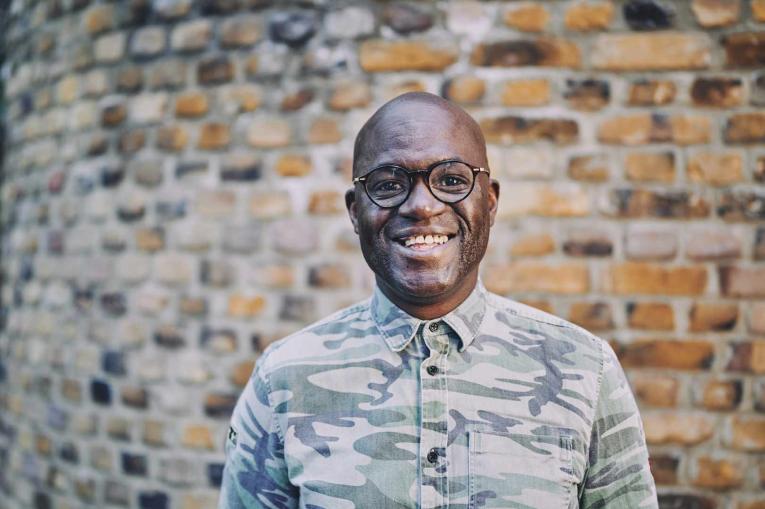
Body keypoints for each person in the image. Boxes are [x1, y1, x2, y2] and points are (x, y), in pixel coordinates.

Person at [219, 92, 658, 508]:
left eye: (451, 180)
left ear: (489, 201)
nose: (423, 206)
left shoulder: (584, 368)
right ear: (356, 212)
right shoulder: (284, 379)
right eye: (389, 184)